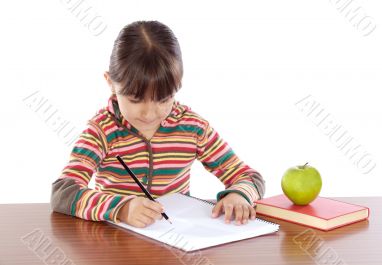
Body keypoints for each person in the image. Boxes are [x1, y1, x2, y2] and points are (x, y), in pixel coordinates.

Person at [51, 20, 265, 228]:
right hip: (114, 244)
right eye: (135, 100)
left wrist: (239, 194)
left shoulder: (193, 127)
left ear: (177, 86)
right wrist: (122, 208)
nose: (149, 113)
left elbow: (249, 177)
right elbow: (63, 192)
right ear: (111, 84)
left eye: (163, 99)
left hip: (178, 244)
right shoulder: (101, 131)